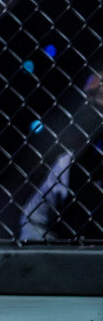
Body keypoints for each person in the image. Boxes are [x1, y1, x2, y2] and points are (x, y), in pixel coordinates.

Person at [18, 64, 103, 241]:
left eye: (97, 95)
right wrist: (54, 255)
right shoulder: (69, 162)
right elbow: (32, 219)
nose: (90, 104)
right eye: (88, 97)